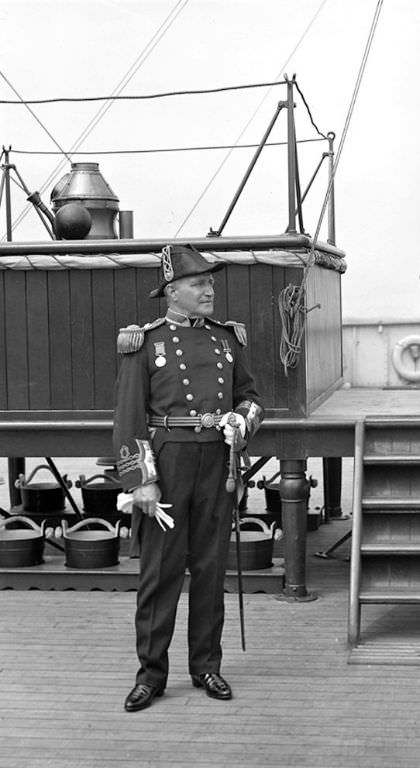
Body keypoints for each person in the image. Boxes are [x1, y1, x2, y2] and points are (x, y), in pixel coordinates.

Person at [113, 243, 263, 713]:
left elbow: (252, 397)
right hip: (169, 460)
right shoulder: (147, 341)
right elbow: (128, 417)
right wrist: (141, 481)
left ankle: (206, 666)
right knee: (160, 573)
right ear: (172, 292)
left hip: (216, 463)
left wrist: (242, 421)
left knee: (211, 567)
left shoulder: (226, 338)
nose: (208, 290)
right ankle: (151, 674)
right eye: (198, 283)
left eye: (210, 283)